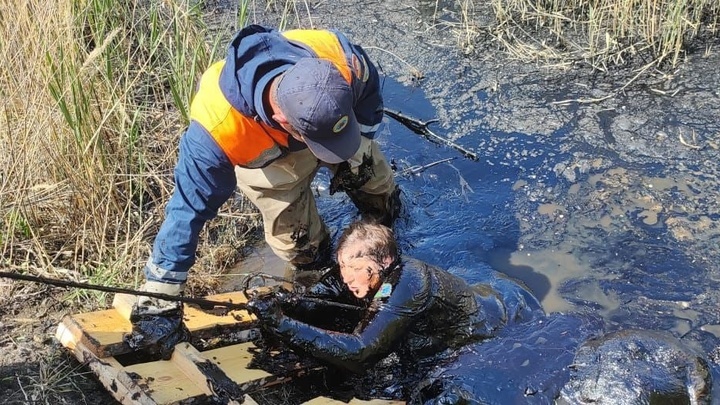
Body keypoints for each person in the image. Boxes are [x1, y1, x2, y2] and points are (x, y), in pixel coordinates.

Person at [134, 25, 401, 318]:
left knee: (376, 184)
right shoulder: (217, 128)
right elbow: (187, 210)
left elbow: (369, 101)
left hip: (339, 125)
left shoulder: (340, 59)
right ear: (283, 120)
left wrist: (358, 142)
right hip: (271, 162)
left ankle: (383, 223)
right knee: (301, 247)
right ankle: (321, 271)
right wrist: (161, 292)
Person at [247, 220, 544, 396]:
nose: (347, 276)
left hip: (499, 321)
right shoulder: (372, 274)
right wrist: (288, 305)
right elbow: (326, 293)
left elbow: (360, 353)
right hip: (479, 296)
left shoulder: (410, 285)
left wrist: (281, 324)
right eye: (342, 267)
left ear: (385, 262)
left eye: (356, 268)